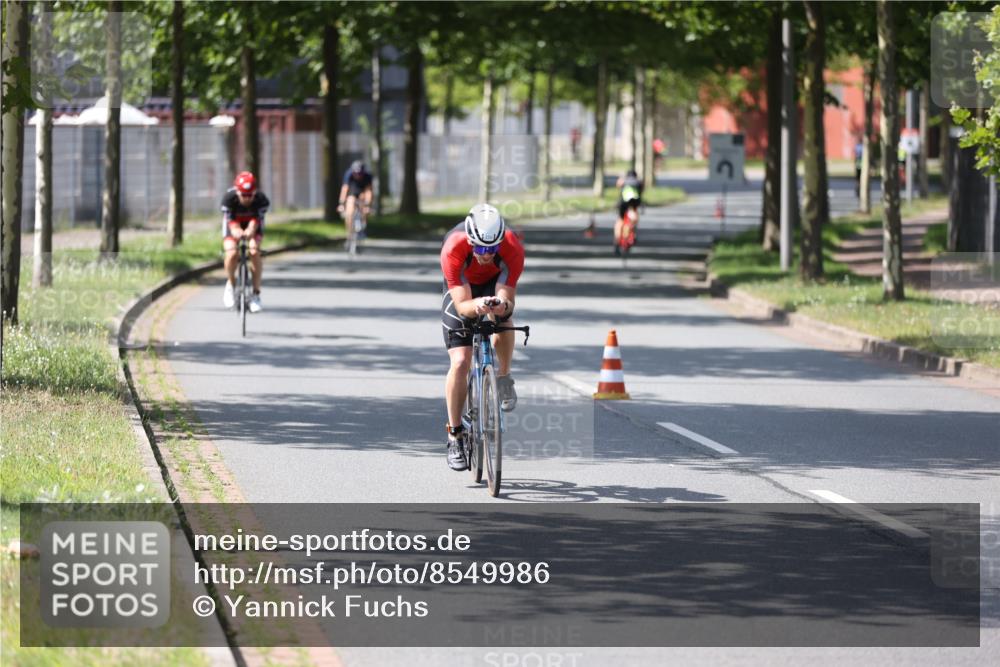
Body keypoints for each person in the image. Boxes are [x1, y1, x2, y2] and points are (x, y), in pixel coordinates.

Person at [440, 204, 525, 471]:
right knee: (461, 361)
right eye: (479, 248)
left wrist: (500, 305)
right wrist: (476, 306)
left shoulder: (512, 248)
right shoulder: (453, 248)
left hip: (493, 285)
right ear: (470, 239)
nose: (485, 255)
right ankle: (454, 435)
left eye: (492, 249)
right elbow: (463, 304)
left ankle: (504, 376)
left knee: (503, 321)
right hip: (463, 290)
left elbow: (508, 300)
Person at [221, 171, 269, 312]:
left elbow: (257, 221)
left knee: (254, 251)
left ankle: (256, 294)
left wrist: (250, 230)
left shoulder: (261, 200)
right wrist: (236, 230)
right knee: (231, 253)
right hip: (234, 224)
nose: (247, 199)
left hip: (253, 225)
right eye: (243, 195)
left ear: (254, 192)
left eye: (250, 195)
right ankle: (230, 283)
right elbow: (230, 221)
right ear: (237, 192)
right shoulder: (228, 199)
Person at [338, 160, 374, 240]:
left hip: (362, 192)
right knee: (349, 211)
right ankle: (349, 233)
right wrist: (341, 203)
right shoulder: (349, 174)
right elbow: (345, 189)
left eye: (360, 174)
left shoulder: (368, 176)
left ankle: (363, 225)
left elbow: (369, 191)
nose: (357, 175)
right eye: (355, 173)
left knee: (364, 204)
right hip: (353, 191)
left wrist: (367, 205)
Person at [613, 169, 643, 253]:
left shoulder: (623, 180)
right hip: (634, 202)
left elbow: (618, 186)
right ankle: (632, 231)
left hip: (623, 202)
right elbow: (641, 191)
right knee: (634, 216)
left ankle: (616, 241)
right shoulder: (638, 181)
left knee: (620, 221)